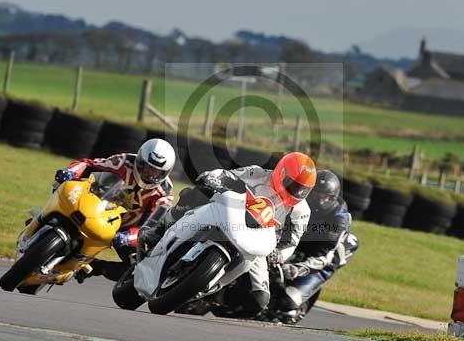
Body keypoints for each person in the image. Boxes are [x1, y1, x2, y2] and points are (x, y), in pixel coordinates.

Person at [153, 152, 316, 317]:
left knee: (260, 299)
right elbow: (227, 175)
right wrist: (213, 177)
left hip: (258, 240)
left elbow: (292, 241)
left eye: (302, 190)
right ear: (281, 173)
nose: (296, 192)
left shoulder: (302, 211)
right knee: (194, 193)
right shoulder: (257, 173)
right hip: (231, 216)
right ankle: (160, 227)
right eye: (292, 185)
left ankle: (206, 293)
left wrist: (280, 255)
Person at [53, 138, 176, 281]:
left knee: (139, 268)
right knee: (63, 190)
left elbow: (152, 227)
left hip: (125, 230)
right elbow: (88, 164)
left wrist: (129, 237)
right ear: (139, 161)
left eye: (156, 172)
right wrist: (70, 172)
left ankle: (94, 266)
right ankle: (46, 220)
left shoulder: (165, 194)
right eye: (147, 167)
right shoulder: (122, 162)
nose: (149, 174)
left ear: (165, 173)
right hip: (98, 207)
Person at [271, 170, 358, 324]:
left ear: (332, 198)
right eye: (314, 194)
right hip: (298, 245)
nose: (317, 199)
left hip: (322, 260)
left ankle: (293, 310)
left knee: (287, 302)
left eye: (324, 196)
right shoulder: (298, 201)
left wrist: (298, 269)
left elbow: (323, 257)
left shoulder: (338, 219)